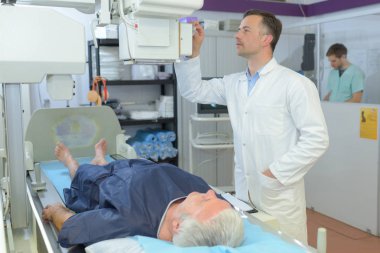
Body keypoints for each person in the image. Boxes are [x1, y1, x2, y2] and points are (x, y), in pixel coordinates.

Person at [174, 9, 329, 244]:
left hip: (278, 192)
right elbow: (192, 90)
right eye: (238, 29)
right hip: (246, 191)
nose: (237, 35)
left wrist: (275, 172)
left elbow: (317, 139)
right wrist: (193, 53)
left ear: (266, 39)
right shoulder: (233, 83)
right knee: (253, 244)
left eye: (245, 30)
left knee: (285, 246)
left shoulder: (295, 84)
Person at [42, 139, 244, 248]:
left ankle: (71, 162)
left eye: (205, 201)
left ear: (177, 226)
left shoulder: (131, 218)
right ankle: (102, 160)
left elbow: (71, 228)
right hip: (141, 166)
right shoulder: (207, 204)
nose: (210, 192)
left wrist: (55, 210)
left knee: (83, 174)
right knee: (109, 165)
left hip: (105, 183)